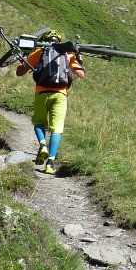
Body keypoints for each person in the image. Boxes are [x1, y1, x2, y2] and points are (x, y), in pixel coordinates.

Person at [15, 29, 85, 174]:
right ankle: (51, 163)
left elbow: (19, 72)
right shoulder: (68, 54)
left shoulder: (40, 52)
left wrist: (24, 57)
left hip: (42, 92)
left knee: (39, 122)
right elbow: (81, 74)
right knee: (57, 129)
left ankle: (42, 145)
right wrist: (79, 58)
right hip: (60, 94)